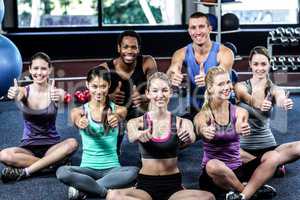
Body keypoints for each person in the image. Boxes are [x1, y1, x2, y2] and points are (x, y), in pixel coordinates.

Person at [106, 72, 215, 200]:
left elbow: (190, 135)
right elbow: (132, 136)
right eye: (155, 91)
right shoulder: (136, 122)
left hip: (172, 185)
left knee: (208, 197)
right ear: (148, 93)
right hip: (146, 185)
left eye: (164, 90)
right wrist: (138, 135)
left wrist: (187, 136)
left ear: (170, 92)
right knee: (112, 195)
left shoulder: (182, 122)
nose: (160, 95)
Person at [194, 67, 278, 200]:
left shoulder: (240, 111)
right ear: (210, 88)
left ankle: (241, 195)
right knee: (212, 165)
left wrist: (241, 127)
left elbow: (241, 123)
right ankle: (248, 191)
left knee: (273, 156)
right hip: (214, 176)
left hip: (238, 170)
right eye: (221, 84)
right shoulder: (203, 115)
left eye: (228, 82)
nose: (227, 87)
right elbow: (200, 126)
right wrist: (204, 130)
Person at [56, 67, 139, 200]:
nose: (99, 91)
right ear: (87, 85)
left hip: (112, 169)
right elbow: (75, 117)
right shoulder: (79, 110)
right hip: (87, 170)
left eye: (103, 86)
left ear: (109, 86)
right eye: (94, 86)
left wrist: (116, 118)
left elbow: (121, 113)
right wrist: (79, 121)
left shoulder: (119, 109)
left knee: (135, 171)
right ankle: (104, 192)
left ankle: (85, 189)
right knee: (62, 172)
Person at [0, 52, 78, 182]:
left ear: (50, 70)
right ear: (30, 69)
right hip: (28, 148)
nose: (39, 72)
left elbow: (65, 97)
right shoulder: (25, 91)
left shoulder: (55, 92)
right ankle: (53, 165)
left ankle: (26, 171)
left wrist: (62, 96)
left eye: (43, 68)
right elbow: (19, 94)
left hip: (52, 146)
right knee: (3, 155)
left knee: (72, 143)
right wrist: (14, 93)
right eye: (35, 68)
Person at [234, 46, 299, 176]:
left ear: (269, 64)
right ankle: (268, 165)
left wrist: (284, 102)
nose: (259, 68)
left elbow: (280, 96)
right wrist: (258, 104)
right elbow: (244, 98)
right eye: (256, 64)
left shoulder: (274, 89)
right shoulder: (240, 87)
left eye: (263, 64)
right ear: (250, 65)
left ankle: (263, 165)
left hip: (268, 147)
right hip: (243, 149)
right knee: (228, 150)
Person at [167, 12, 234, 119]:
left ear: (209, 28)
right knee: (181, 132)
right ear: (189, 31)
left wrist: (209, 79)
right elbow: (173, 68)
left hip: (221, 109)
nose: (197, 32)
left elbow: (222, 74)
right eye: (193, 28)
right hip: (195, 110)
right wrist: (173, 75)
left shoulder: (225, 53)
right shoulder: (181, 53)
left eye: (201, 27)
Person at [100, 30, 157, 120]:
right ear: (119, 48)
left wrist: (144, 97)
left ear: (138, 49)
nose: (129, 51)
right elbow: (92, 99)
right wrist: (109, 97)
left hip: (141, 114)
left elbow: (157, 89)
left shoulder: (147, 62)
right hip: (115, 117)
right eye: (125, 47)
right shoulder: (105, 69)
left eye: (134, 47)